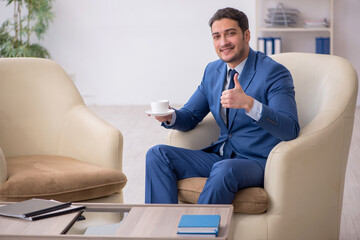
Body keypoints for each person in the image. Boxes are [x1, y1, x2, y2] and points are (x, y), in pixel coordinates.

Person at [145, 7, 300, 204]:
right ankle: (161, 227)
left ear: (246, 35)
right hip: (220, 157)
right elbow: (191, 115)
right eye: (216, 36)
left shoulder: (274, 73)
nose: (223, 42)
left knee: (224, 169)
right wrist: (170, 116)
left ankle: (197, 233)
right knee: (157, 154)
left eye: (230, 34)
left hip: (255, 162)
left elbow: (290, 129)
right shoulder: (213, 71)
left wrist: (249, 104)